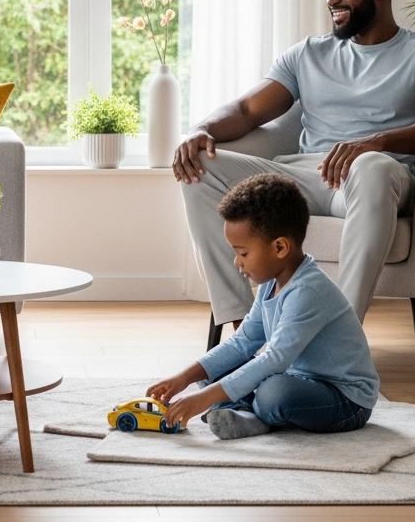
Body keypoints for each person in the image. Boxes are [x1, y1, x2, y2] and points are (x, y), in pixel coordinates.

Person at [174, 0, 415, 327]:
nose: (332, 0)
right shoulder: (307, 54)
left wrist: (375, 143)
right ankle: (244, 327)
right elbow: (248, 109)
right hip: (303, 177)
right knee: (197, 164)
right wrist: (201, 129)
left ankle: (340, 331)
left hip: (371, 182)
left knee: (372, 167)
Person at [150, 174, 379, 438]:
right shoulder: (271, 283)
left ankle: (251, 412)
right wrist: (184, 378)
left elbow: (274, 360)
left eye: (243, 253)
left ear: (280, 247)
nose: (237, 262)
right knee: (217, 369)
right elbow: (241, 343)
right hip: (295, 377)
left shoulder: (308, 291)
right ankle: (246, 413)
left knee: (274, 392)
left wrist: (202, 399)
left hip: (345, 400)